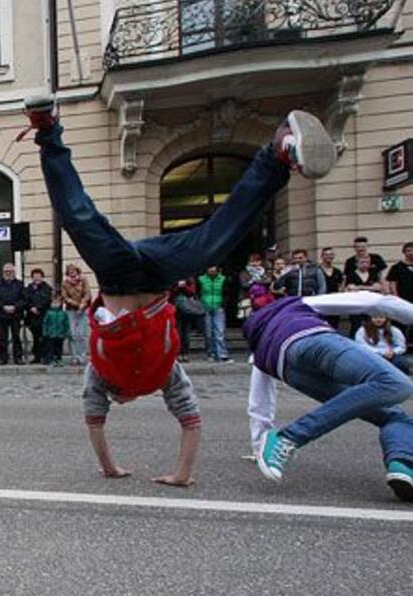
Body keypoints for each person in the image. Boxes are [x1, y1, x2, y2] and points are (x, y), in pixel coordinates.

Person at [21, 93, 336, 485]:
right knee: (215, 240)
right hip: (157, 275)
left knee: (80, 216)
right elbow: (189, 419)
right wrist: (180, 474)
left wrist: (111, 468)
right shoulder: (161, 375)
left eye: (117, 402)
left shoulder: (101, 378)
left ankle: (49, 130)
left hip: (116, 274)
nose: (120, 402)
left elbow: (97, 423)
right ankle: (278, 153)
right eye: (119, 401)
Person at [246, 292, 413, 500]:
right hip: (311, 341)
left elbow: (259, 399)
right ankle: (290, 436)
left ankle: (403, 463)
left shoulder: (259, 342)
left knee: (392, 415)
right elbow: (372, 300)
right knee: (396, 384)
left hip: (288, 369)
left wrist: (259, 442)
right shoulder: (297, 304)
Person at [0, 263, 25, 365]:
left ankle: (18, 357)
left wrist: (15, 307)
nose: (8, 273)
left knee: (16, 337)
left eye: (10, 271)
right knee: (3, 338)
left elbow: (24, 299)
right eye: (6, 272)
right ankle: (3, 358)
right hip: (2, 314)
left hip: (16, 314)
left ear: (13, 272)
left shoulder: (19, 284)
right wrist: (3, 307)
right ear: (3, 273)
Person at [197, 266, 231, 363]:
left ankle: (222, 354)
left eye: (213, 268)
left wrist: (224, 304)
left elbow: (227, 293)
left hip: (218, 306)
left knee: (219, 332)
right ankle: (210, 353)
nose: (211, 270)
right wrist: (200, 304)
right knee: (208, 333)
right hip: (205, 306)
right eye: (209, 267)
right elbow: (197, 292)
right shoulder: (201, 279)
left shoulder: (223, 279)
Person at [345, 254, 384, 336]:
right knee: (356, 326)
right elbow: (351, 289)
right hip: (355, 305)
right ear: (357, 264)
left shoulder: (373, 274)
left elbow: (378, 288)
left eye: (367, 262)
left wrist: (359, 287)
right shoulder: (351, 275)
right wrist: (369, 287)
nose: (365, 264)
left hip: (370, 305)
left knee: (371, 325)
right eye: (362, 262)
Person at [60, 265, 90, 366]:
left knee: (82, 334)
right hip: (71, 310)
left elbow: (88, 293)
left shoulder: (83, 280)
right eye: (69, 271)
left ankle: (82, 356)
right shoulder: (65, 283)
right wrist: (75, 304)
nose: (72, 272)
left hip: (83, 309)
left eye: (73, 270)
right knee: (72, 334)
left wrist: (82, 304)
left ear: (77, 271)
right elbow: (64, 296)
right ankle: (74, 357)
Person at [24, 269, 52, 364]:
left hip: (43, 316)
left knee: (44, 337)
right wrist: (31, 307)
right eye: (35, 276)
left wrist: (38, 308)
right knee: (36, 338)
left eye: (38, 275)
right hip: (32, 317)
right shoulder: (29, 288)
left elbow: (47, 300)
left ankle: (46, 356)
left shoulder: (47, 288)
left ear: (42, 276)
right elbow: (26, 299)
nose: (37, 278)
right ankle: (37, 356)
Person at [42, 295, 70, 366]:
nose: (55, 304)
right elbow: (45, 323)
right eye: (54, 303)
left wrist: (67, 332)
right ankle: (51, 359)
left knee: (59, 348)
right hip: (51, 334)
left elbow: (66, 323)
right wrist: (45, 332)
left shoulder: (63, 313)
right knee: (51, 348)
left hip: (60, 334)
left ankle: (58, 358)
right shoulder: (49, 313)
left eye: (57, 303)